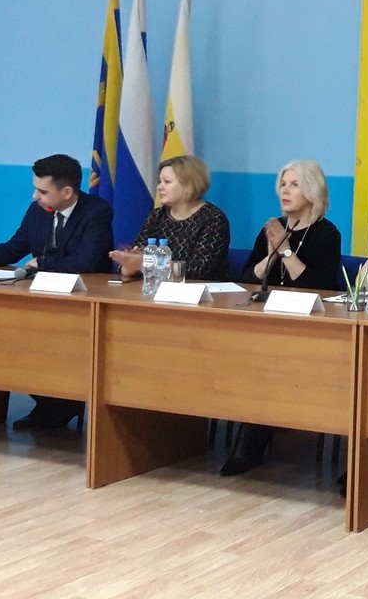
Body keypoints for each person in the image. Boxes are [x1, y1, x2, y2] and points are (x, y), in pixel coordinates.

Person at [0, 153, 113, 430]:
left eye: (42, 191)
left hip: (83, 300)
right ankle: (52, 403)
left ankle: (62, 403)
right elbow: (11, 250)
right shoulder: (37, 211)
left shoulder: (96, 211)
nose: (35, 196)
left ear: (67, 192)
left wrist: (43, 263)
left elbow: (87, 262)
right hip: (43, 297)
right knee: (9, 336)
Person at [221, 159, 342, 477]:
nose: (285, 191)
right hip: (268, 322)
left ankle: (248, 447)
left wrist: (287, 251)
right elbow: (249, 276)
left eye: (294, 185)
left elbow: (319, 287)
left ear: (312, 190)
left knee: (267, 362)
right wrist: (272, 251)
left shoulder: (326, 233)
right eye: (283, 185)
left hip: (309, 328)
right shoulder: (273, 228)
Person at [109, 155, 230, 283]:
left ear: (189, 185)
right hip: (155, 289)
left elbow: (198, 270)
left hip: (203, 292)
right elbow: (138, 260)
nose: (159, 187)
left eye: (167, 182)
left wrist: (144, 264)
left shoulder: (213, 219)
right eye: (159, 181)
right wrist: (129, 265)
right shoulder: (157, 216)